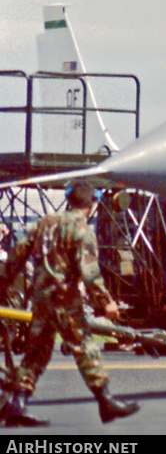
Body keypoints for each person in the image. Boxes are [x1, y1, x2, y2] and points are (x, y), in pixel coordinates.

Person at [0, 182, 139, 427]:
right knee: (85, 346)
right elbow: (90, 272)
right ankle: (105, 402)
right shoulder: (83, 231)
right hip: (65, 299)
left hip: (41, 299)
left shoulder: (43, 224)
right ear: (91, 204)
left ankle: (17, 405)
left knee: (36, 353)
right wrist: (106, 303)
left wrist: (2, 285)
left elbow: (16, 256)